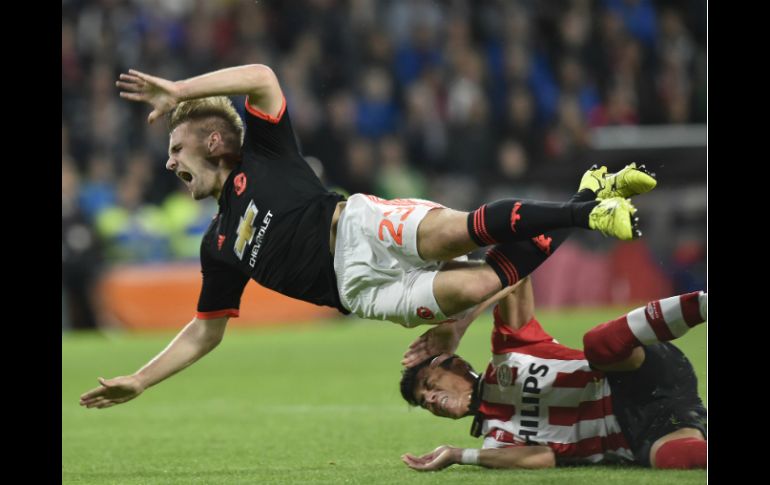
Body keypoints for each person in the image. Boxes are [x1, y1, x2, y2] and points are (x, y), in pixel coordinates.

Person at [80, 64, 655, 409]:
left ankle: (584, 215)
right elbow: (204, 334)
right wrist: (140, 379)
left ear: (212, 143)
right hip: (356, 293)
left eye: (175, 148)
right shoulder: (218, 245)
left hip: (355, 225)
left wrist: (179, 89)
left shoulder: (265, 151)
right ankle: (585, 199)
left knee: (453, 233)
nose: (168, 163)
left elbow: (261, 77)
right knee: (476, 287)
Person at [399, 277, 707, 470]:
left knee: (596, 345)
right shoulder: (497, 442)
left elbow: (513, 272)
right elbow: (541, 458)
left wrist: (460, 323)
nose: (431, 399)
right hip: (641, 433)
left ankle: (702, 305)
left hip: (633, 373)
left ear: (456, 364)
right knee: (672, 460)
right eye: (424, 402)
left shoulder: (509, 349)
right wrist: (456, 455)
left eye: (428, 384)